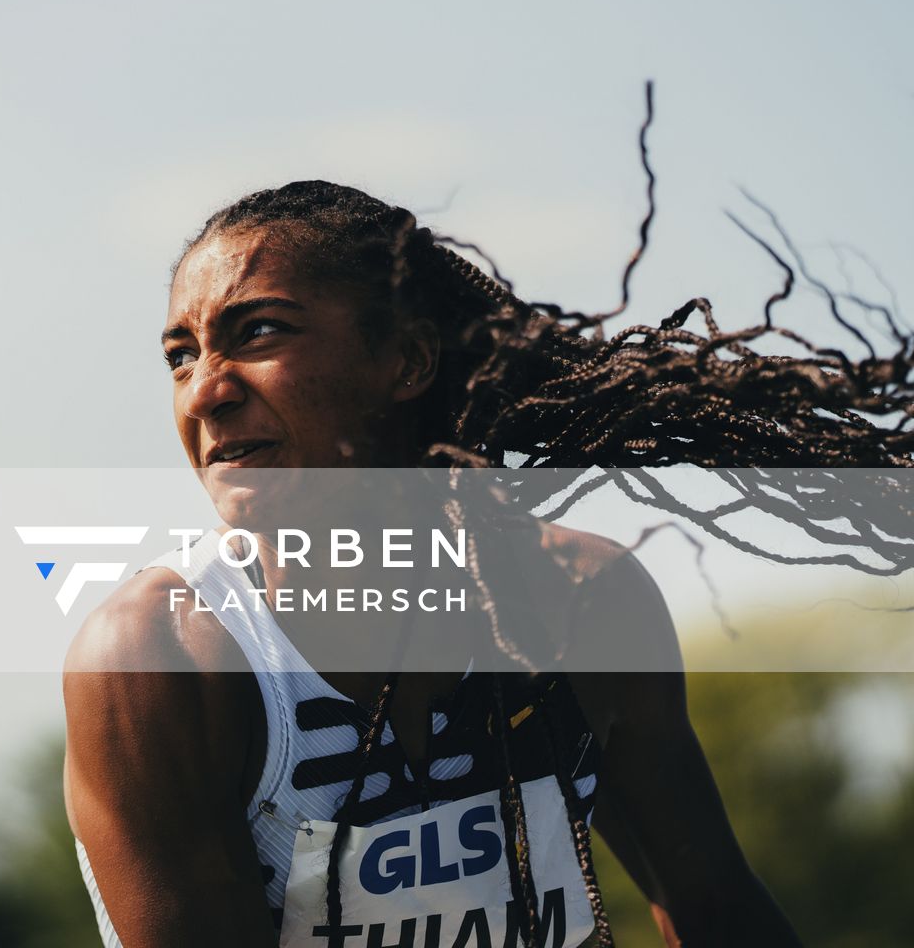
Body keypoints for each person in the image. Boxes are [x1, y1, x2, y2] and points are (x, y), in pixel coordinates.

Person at [61, 175, 910, 947]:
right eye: (180, 355)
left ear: (408, 361)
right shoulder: (166, 661)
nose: (206, 390)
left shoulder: (579, 604)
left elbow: (717, 906)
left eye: (258, 332)